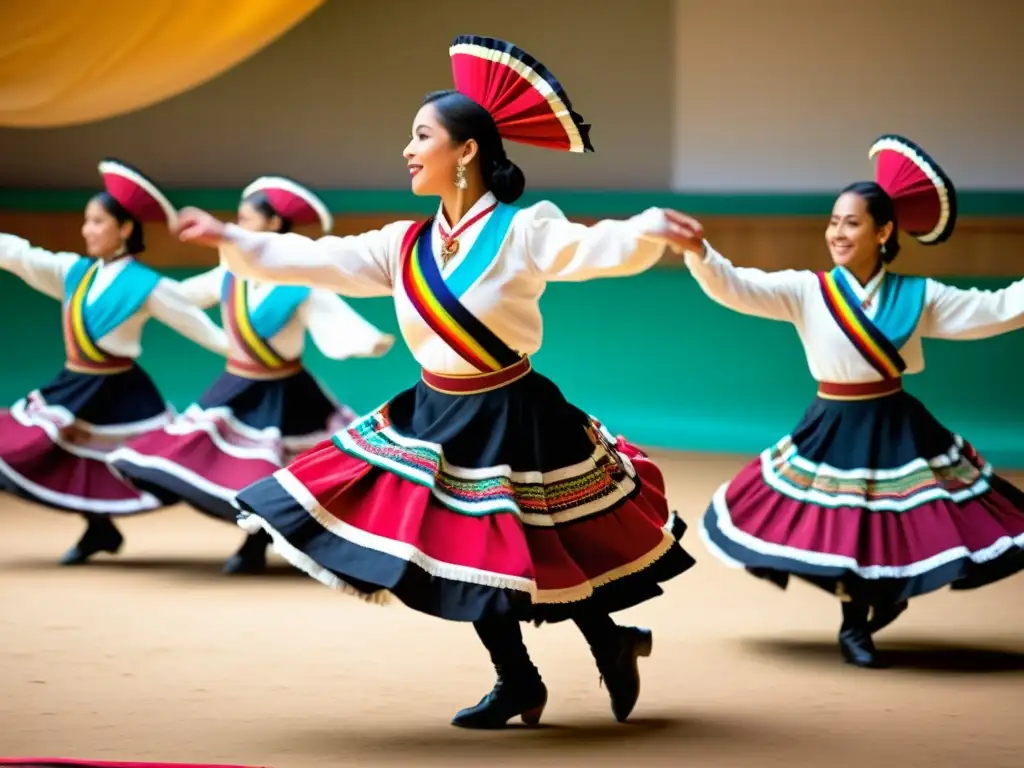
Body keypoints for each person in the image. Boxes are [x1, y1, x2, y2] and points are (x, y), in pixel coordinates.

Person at [173, 35, 700, 728]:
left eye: (422, 136)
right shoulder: (400, 244)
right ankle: (525, 676)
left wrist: (648, 228)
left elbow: (590, 248)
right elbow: (313, 259)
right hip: (437, 413)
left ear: (468, 151)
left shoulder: (522, 231)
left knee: (532, 545)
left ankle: (606, 640)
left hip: (511, 412)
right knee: (461, 551)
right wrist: (230, 238)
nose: (408, 149)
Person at [674, 134, 1024, 668]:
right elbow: (739, 286)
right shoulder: (807, 290)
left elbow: (996, 308)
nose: (837, 232)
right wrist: (700, 253)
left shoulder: (919, 295)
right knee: (840, 527)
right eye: (834, 221)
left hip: (894, 421)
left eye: (852, 222)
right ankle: (865, 611)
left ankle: (860, 620)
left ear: (884, 232)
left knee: (893, 524)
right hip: (832, 421)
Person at [109, 176, 394, 574]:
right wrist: (139, 292)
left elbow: (336, 320)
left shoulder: (301, 285)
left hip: (285, 393)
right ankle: (254, 538)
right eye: (237, 220)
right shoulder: (228, 275)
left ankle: (258, 541)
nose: (238, 227)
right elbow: (182, 295)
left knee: (273, 468)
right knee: (212, 456)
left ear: (274, 225)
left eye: (246, 219)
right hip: (237, 385)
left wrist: (368, 340)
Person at [0, 158, 230, 565]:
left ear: (124, 229)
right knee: (51, 452)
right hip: (76, 383)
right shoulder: (73, 271)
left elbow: (196, 325)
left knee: (150, 466)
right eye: (86, 221)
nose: (87, 230)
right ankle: (100, 528)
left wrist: (239, 351)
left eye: (98, 221)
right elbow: (21, 255)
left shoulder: (147, 286)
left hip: (121, 390)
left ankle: (250, 526)